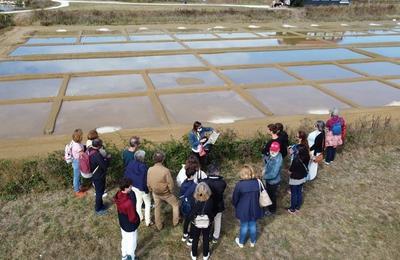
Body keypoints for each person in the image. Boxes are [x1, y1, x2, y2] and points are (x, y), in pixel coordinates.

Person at [232, 165, 264, 248]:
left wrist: (236, 206)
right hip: (255, 208)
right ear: (251, 173)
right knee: (253, 225)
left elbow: (235, 198)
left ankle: (241, 242)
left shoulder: (239, 185)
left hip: (243, 209)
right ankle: (253, 241)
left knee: (244, 226)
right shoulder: (257, 182)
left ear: (242, 174)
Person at [147, 151, 179, 230]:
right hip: (166, 194)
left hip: (155, 193)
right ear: (163, 160)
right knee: (175, 205)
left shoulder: (150, 169)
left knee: (157, 208)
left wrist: (151, 190)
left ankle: (159, 226)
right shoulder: (166, 170)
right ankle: (175, 222)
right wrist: (171, 192)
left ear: (154, 159)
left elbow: (148, 182)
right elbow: (170, 184)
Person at [114, 178, 140, 260]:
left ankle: (124, 256)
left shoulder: (118, 194)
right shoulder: (128, 203)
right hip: (130, 226)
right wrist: (137, 220)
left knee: (125, 239)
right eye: (130, 186)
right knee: (132, 243)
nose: (131, 187)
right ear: (125, 188)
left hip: (122, 223)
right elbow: (132, 218)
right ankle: (131, 257)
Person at [124, 150, 152, 227]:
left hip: (133, 186)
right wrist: (146, 190)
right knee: (147, 203)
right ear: (142, 158)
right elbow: (144, 180)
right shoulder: (143, 167)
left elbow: (126, 174)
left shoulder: (131, 163)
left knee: (138, 201)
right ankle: (148, 221)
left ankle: (140, 217)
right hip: (141, 188)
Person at [188, 182, 215, 260]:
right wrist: (211, 219)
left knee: (195, 238)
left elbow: (191, 211)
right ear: (207, 190)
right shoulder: (210, 200)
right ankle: (205, 255)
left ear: (197, 190)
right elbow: (211, 212)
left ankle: (194, 254)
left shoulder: (194, 199)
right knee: (206, 238)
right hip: (207, 222)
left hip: (195, 222)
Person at [202, 163, 227, 244]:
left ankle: (207, 234)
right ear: (217, 172)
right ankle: (215, 236)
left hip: (208, 206)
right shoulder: (222, 183)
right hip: (218, 205)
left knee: (208, 220)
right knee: (218, 221)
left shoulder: (204, 182)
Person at [89, 138, 110, 215]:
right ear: (98, 146)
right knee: (99, 192)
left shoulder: (90, 150)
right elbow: (105, 166)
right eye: (101, 145)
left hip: (94, 174)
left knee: (99, 191)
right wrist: (108, 158)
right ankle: (98, 209)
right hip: (98, 176)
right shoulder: (97, 155)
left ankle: (101, 205)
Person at [288, 144, 310, 214]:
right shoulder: (307, 157)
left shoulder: (296, 160)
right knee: (299, 192)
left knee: (294, 194)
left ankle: (292, 209)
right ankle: (298, 207)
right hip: (303, 177)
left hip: (295, 179)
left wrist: (288, 172)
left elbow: (290, 171)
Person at [263, 141, 283, 215]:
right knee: (269, 193)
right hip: (269, 179)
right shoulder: (273, 155)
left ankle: (272, 210)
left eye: (275, 150)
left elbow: (274, 174)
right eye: (271, 150)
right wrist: (265, 157)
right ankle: (269, 206)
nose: (272, 152)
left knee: (272, 196)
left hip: (273, 181)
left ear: (278, 150)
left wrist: (264, 176)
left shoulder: (278, 159)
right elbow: (268, 162)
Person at [179, 166, 197, 246]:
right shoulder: (194, 185)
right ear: (192, 175)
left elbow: (181, 195)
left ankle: (185, 234)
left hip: (184, 206)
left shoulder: (183, 183)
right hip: (192, 206)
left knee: (186, 221)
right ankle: (191, 238)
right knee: (193, 222)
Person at [70, 128, 86, 198]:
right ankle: (77, 191)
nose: (82, 136)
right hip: (77, 162)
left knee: (78, 176)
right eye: (81, 135)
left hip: (75, 160)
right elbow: (83, 154)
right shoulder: (77, 146)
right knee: (76, 177)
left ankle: (80, 188)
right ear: (79, 137)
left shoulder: (73, 142)